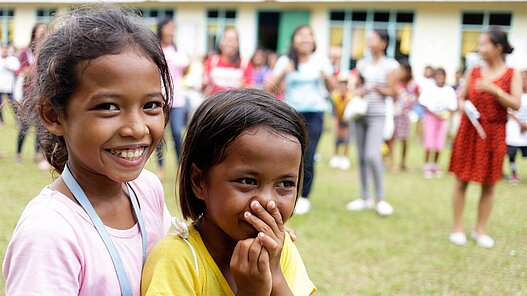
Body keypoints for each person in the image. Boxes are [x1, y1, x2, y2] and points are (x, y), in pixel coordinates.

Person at [2, 5, 173, 294]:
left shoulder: (147, 190)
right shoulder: (49, 233)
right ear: (53, 116)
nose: (137, 128)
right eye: (108, 107)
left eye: (151, 105)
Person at [141, 89, 316, 295]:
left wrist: (275, 275)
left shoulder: (280, 250)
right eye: (247, 181)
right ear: (198, 181)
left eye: (285, 184)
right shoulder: (178, 260)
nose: (268, 201)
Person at [448, 28, 521, 248]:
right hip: (470, 131)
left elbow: (516, 104)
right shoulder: (474, 71)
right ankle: (457, 229)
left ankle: (480, 230)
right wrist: (465, 107)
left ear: (498, 48)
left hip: (494, 133)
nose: (480, 49)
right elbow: (461, 99)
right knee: (461, 180)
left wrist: (495, 91)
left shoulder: (512, 74)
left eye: (483, 44)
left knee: (489, 184)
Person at [265, 24, 336, 214]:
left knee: (309, 155)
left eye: (308, 36)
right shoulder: (286, 61)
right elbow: (269, 89)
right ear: (293, 41)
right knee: (288, 155)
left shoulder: (320, 60)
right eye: (301, 35)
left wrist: (326, 76)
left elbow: (332, 88)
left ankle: (304, 196)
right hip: (291, 113)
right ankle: (286, 192)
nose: (305, 39)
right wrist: (283, 73)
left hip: (314, 112)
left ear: (314, 41)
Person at [345, 29, 399, 216]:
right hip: (360, 114)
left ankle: (381, 199)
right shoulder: (362, 63)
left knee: (372, 156)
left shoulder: (391, 65)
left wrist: (375, 88)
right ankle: (365, 197)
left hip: (377, 115)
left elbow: (393, 91)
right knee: (360, 157)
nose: (369, 41)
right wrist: (358, 89)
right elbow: (357, 84)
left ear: (384, 43)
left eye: (373, 39)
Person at [154, 17, 189, 180]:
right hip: (159, 98)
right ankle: (160, 168)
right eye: (169, 27)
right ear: (161, 29)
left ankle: (181, 167)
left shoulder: (179, 51)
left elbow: (186, 69)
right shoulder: (156, 49)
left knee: (176, 132)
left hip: (178, 99)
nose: (171, 30)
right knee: (159, 134)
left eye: (173, 28)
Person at [14, 23, 47, 168]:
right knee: (25, 125)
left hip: (42, 92)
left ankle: (37, 154)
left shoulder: (47, 51)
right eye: (40, 31)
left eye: (45, 31)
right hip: (28, 93)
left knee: (41, 125)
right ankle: (18, 153)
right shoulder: (26, 52)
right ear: (34, 33)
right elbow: (20, 69)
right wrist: (27, 71)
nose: (43, 33)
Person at [420, 68, 457, 178]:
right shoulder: (429, 88)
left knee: (439, 143)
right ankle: (427, 165)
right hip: (431, 118)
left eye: (442, 75)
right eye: (438, 75)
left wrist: (446, 113)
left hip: (443, 119)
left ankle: (435, 165)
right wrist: (434, 113)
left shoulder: (448, 90)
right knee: (429, 141)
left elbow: (453, 106)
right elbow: (423, 102)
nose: (440, 78)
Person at [202, 27, 254, 94]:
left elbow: (251, 91)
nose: (230, 43)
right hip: (214, 103)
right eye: (227, 39)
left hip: (236, 104)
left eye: (233, 40)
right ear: (220, 43)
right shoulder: (211, 62)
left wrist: (244, 86)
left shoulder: (245, 64)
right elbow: (203, 85)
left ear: (238, 45)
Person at [388, 61, 419, 172]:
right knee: (392, 139)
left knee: (405, 139)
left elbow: (417, 96)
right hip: (394, 113)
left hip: (406, 115)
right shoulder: (396, 83)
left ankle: (403, 163)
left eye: (402, 70)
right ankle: (393, 163)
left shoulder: (413, 84)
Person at [329, 74, 360, 170]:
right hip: (338, 117)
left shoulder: (351, 96)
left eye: (344, 84)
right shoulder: (335, 96)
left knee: (347, 139)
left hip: (348, 119)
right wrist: (336, 123)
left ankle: (345, 157)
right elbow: (334, 111)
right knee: (337, 138)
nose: (343, 87)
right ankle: (335, 156)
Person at [505, 70, 527, 184]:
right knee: (512, 153)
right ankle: (514, 174)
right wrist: (520, 123)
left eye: (525, 78)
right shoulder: (514, 93)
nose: (524, 81)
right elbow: (508, 110)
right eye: (522, 78)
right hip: (514, 129)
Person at [0, 43, 20, 126]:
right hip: (0, 86)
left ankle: (18, 119)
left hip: (10, 86)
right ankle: (1, 121)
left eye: (5, 48)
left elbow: (18, 69)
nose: (4, 50)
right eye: (2, 48)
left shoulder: (12, 59)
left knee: (13, 104)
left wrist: (8, 66)